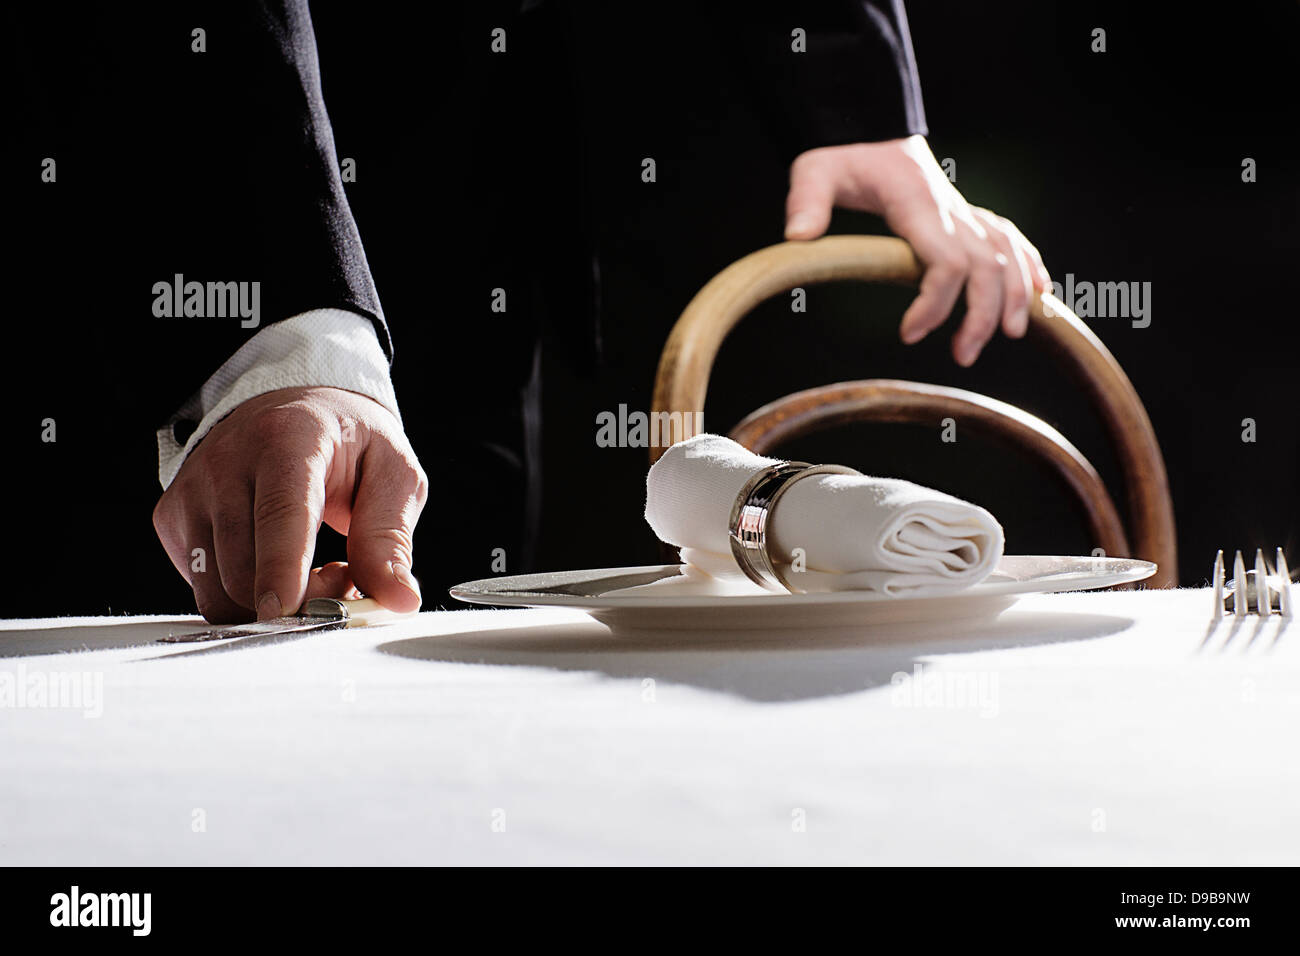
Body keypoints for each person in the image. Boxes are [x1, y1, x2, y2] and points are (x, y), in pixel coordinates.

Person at [8, 1, 1049, 623]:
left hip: (472, 182)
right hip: (134, 175)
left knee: (433, 625)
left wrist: (845, 79)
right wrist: (275, 320)